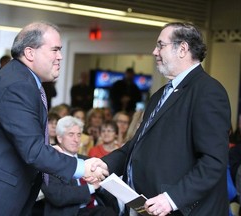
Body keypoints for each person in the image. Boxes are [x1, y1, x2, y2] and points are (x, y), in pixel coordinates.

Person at [0, 21, 108, 216]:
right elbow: (33, 151)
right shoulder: (19, 85)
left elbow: (22, 139)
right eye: (55, 50)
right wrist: (81, 167)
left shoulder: (22, 79)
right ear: (30, 53)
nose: (60, 56)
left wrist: (50, 151)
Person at [97, 22, 231, 216]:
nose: (154, 51)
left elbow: (213, 161)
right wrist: (105, 164)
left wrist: (172, 198)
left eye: (161, 45)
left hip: (180, 209)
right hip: (145, 207)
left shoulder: (208, 91)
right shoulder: (160, 95)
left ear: (183, 49)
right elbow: (136, 145)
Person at [41, 116, 119, 216]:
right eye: (71, 134)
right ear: (59, 138)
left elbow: (106, 192)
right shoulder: (52, 163)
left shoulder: (87, 160)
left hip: (98, 209)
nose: (76, 139)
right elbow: (57, 196)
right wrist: (91, 187)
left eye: (78, 135)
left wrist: (101, 185)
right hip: (71, 212)